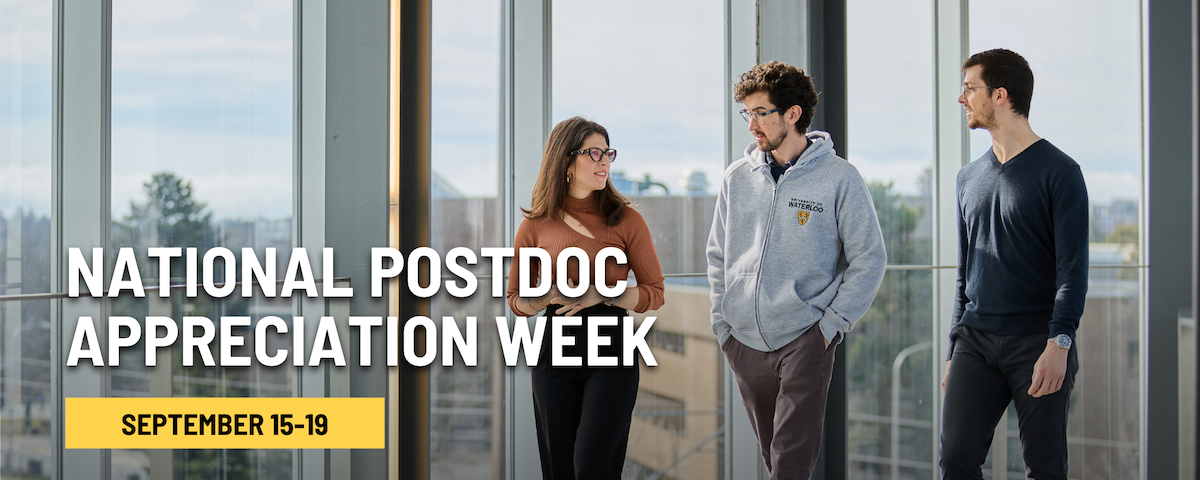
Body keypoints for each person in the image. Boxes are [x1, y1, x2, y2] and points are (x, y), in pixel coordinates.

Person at [706, 61, 887, 479]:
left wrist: (830, 326)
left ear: (793, 114)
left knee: (789, 463)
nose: (751, 124)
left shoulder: (840, 178)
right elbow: (718, 255)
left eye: (761, 113)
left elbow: (869, 257)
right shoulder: (737, 177)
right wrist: (723, 324)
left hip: (805, 339)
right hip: (744, 342)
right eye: (746, 113)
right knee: (774, 459)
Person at [940, 49, 1088, 480]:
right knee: (956, 460)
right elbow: (964, 274)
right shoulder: (967, 179)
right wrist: (953, 350)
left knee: (1044, 469)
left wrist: (1059, 344)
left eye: (969, 88)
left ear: (1000, 95)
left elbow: (1073, 271)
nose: (961, 97)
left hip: (1037, 343)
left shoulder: (1060, 172)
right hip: (976, 342)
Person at [506, 116, 665, 480]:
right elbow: (516, 299)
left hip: (611, 345)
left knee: (593, 466)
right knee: (560, 468)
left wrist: (603, 294)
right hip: (554, 344)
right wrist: (544, 296)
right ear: (565, 161)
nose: (604, 161)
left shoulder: (627, 220)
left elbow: (654, 294)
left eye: (607, 152)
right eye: (594, 152)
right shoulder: (535, 224)